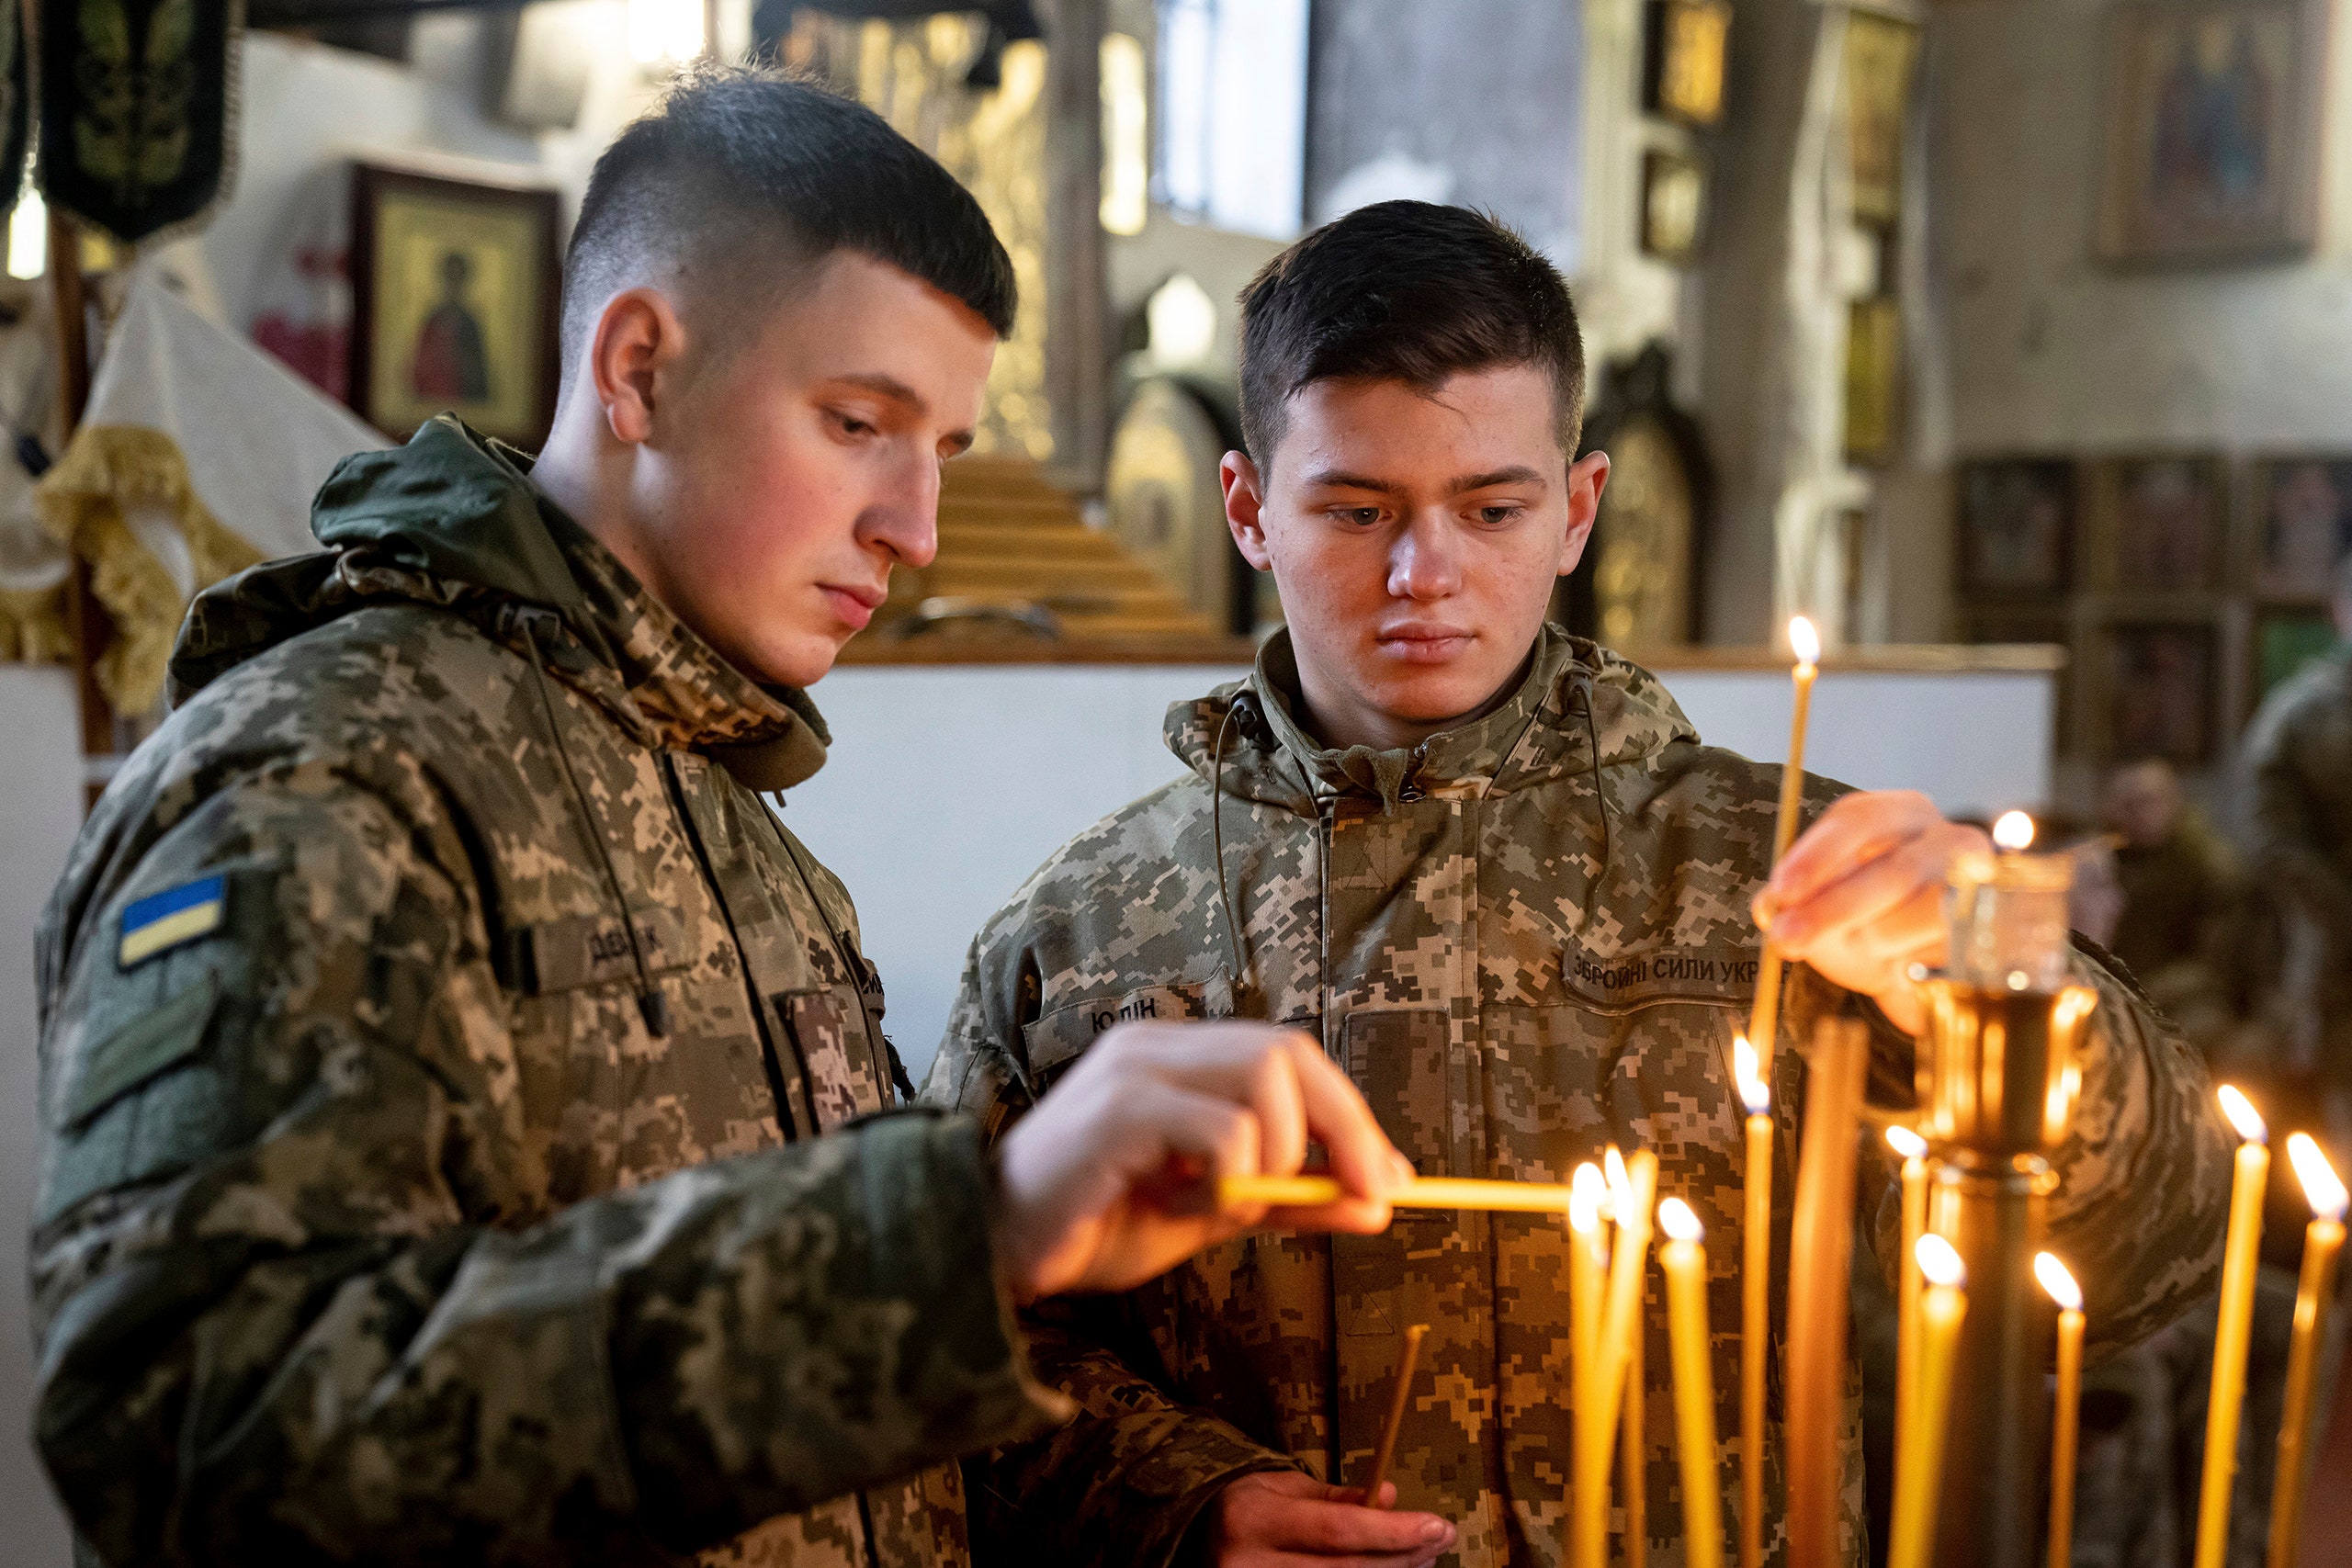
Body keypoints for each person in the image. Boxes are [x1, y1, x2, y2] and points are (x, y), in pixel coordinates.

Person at [28, 69, 1415, 1568]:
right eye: (858, 422)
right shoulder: (333, 774)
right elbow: (189, 1429)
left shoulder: (733, 818)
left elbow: (846, 1411)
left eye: (940, 454)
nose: (916, 529)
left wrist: (1169, 1504)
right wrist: (965, 1227)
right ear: (638, 369)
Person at [922, 201, 2235, 1568]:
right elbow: (957, 1346)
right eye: (1357, 510)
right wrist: (1177, 1500)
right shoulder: (1079, 934)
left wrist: (2021, 996)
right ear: (1250, 509)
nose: (1425, 574)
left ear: (1579, 508)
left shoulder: (1791, 873)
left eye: (1493, 508)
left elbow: (2152, 1259)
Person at [2245, 553, 2352, 1100]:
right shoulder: (2302, 713)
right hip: (2324, 937)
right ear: (2340, 611)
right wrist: (2331, 904)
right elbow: (2267, 834)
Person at [2098, 758, 2242, 1047]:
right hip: (2121, 991)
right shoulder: (2107, 858)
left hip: (2190, 996)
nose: (2139, 814)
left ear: (2174, 801)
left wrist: (2139, 993)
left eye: (2149, 801)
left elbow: (2216, 964)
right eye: (2127, 804)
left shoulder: (2209, 867)